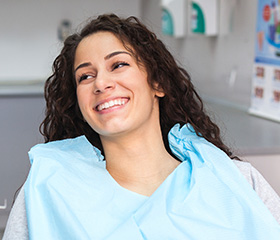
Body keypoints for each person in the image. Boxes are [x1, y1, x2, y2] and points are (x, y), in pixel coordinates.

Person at [3, 14, 280, 239]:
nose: (101, 83)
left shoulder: (238, 182)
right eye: (85, 76)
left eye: (118, 64)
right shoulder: (45, 191)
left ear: (157, 83)